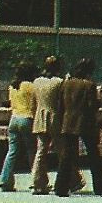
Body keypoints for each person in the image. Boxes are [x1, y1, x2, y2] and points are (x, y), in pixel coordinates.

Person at [54, 58, 102, 197]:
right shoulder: (89, 85)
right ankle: (101, 186)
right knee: (93, 155)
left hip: (68, 122)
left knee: (66, 156)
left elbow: (60, 106)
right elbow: (92, 106)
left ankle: (61, 187)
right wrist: (99, 97)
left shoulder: (66, 84)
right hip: (85, 122)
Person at [0, 61, 37, 192]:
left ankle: (5, 180)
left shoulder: (12, 87)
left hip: (14, 119)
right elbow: (35, 104)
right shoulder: (31, 86)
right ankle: (36, 181)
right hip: (27, 118)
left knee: (12, 152)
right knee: (32, 152)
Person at [29, 56, 65, 195]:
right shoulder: (59, 82)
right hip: (55, 117)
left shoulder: (37, 81)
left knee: (40, 151)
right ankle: (70, 180)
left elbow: (33, 102)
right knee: (62, 151)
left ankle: (38, 182)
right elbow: (62, 102)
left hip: (40, 116)